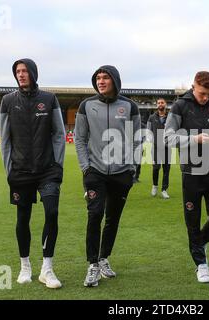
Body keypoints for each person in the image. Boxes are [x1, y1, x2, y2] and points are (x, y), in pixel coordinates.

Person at [0, 58, 66, 289]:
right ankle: (25, 266)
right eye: (17, 71)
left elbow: (59, 133)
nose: (21, 74)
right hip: (20, 172)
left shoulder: (49, 99)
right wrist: (9, 170)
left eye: (25, 71)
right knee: (22, 218)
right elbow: (5, 139)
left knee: (52, 212)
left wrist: (57, 165)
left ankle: (47, 269)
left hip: (47, 170)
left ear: (34, 73)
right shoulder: (8, 101)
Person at [75, 65, 141, 287]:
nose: (101, 81)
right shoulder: (87, 105)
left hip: (122, 173)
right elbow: (80, 139)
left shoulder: (129, 106)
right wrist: (86, 168)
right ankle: (92, 264)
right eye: (98, 78)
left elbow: (136, 140)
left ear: (115, 80)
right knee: (95, 215)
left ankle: (104, 258)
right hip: (95, 172)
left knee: (113, 218)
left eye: (105, 78)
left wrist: (132, 168)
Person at [164, 71, 209, 283]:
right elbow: (167, 138)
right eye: (202, 93)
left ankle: (197, 244)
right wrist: (194, 139)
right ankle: (201, 264)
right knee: (192, 222)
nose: (205, 98)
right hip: (191, 172)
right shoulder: (179, 106)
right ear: (193, 86)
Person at [147, 98, 171, 199]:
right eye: (158, 103)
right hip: (156, 147)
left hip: (167, 147)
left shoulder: (170, 117)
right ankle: (155, 186)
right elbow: (148, 131)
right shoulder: (152, 117)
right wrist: (151, 140)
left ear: (165, 104)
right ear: (157, 105)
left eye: (162, 102)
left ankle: (164, 190)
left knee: (166, 170)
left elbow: (175, 129)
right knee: (156, 168)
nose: (160, 104)